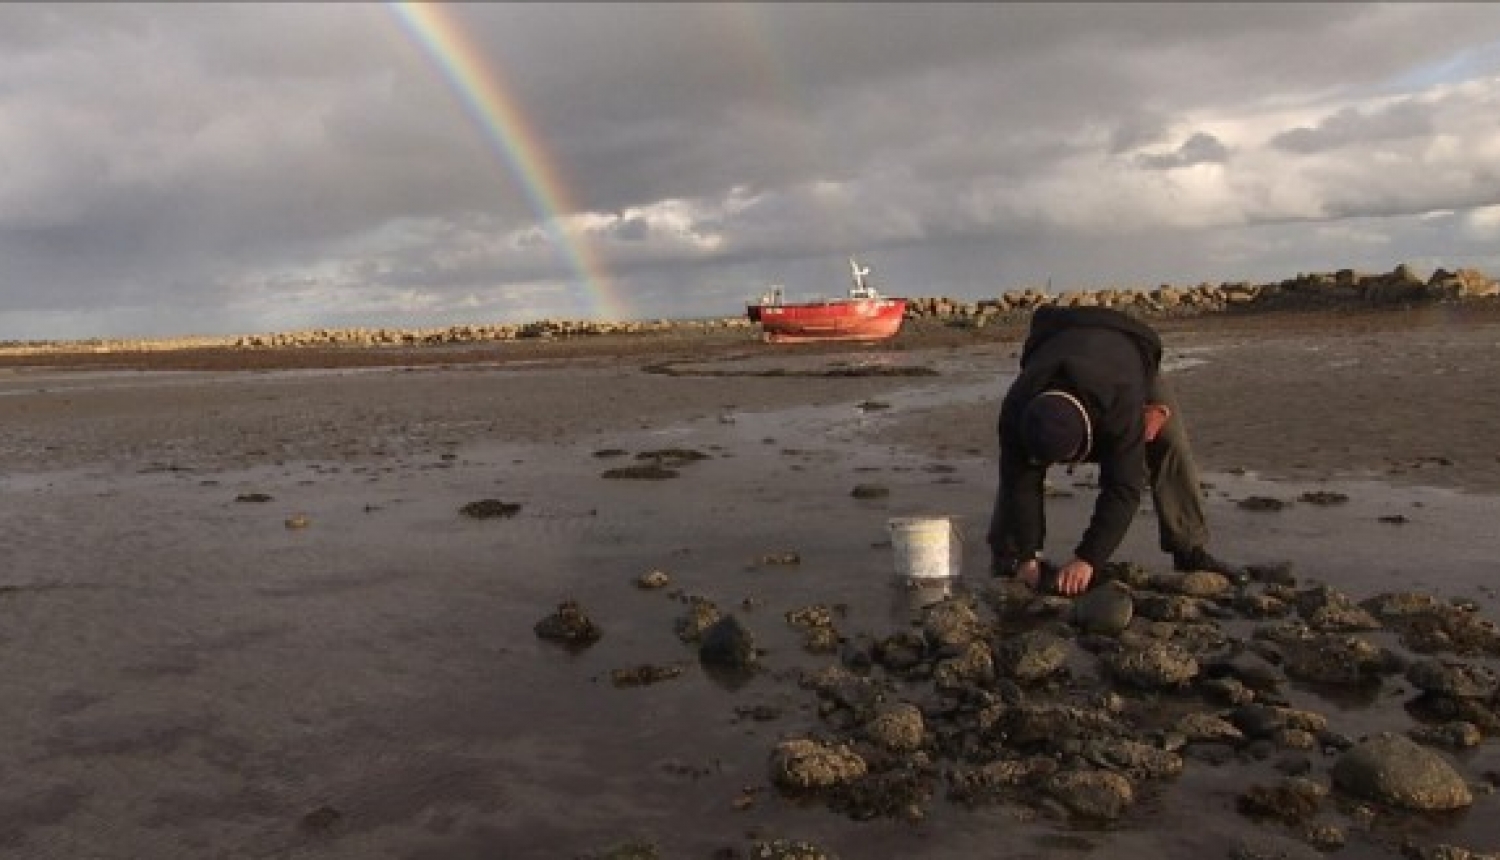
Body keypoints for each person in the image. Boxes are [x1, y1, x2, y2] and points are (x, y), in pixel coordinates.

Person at [987, 304, 1238, 596]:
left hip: (1130, 350)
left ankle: (1188, 548)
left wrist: (1088, 559)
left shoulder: (1121, 406)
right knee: (1016, 473)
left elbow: (1123, 488)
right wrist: (1028, 556)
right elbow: (1020, 481)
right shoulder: (1016, 410)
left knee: (1171, 444)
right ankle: (1011, 554)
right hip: (1056, 341)